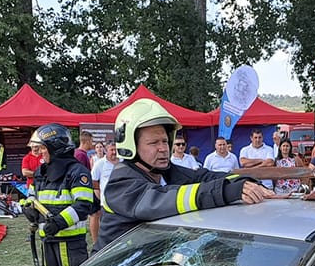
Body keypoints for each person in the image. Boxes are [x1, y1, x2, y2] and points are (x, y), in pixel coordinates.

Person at [96, 98, 271, 251]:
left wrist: (248, 183)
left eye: (165, 141)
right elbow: (163, 199)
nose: (163, 148)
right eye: (153, 143)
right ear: (130, 145)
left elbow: (206, 177)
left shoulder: (168, 171)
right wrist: (226, 191)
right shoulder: (120, 183)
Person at [21, 123, 96, 266]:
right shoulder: (40, 172)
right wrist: (27, 207)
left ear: (54, 147)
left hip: (70, 244)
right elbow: (31, 196)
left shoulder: (77, 172)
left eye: (43, 148)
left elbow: (83, 205)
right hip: (47, 241)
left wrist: (58, 222)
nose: (40, 152)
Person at [89, 140, 120, 245]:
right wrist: (99, 195)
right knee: (107, 229)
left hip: (122, 202)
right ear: (106, 150)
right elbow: (93, 181)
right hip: (107, 204)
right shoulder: (100, 164)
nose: (114, 152)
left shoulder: (124, 162)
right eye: (112, 150)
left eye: (116, 150)